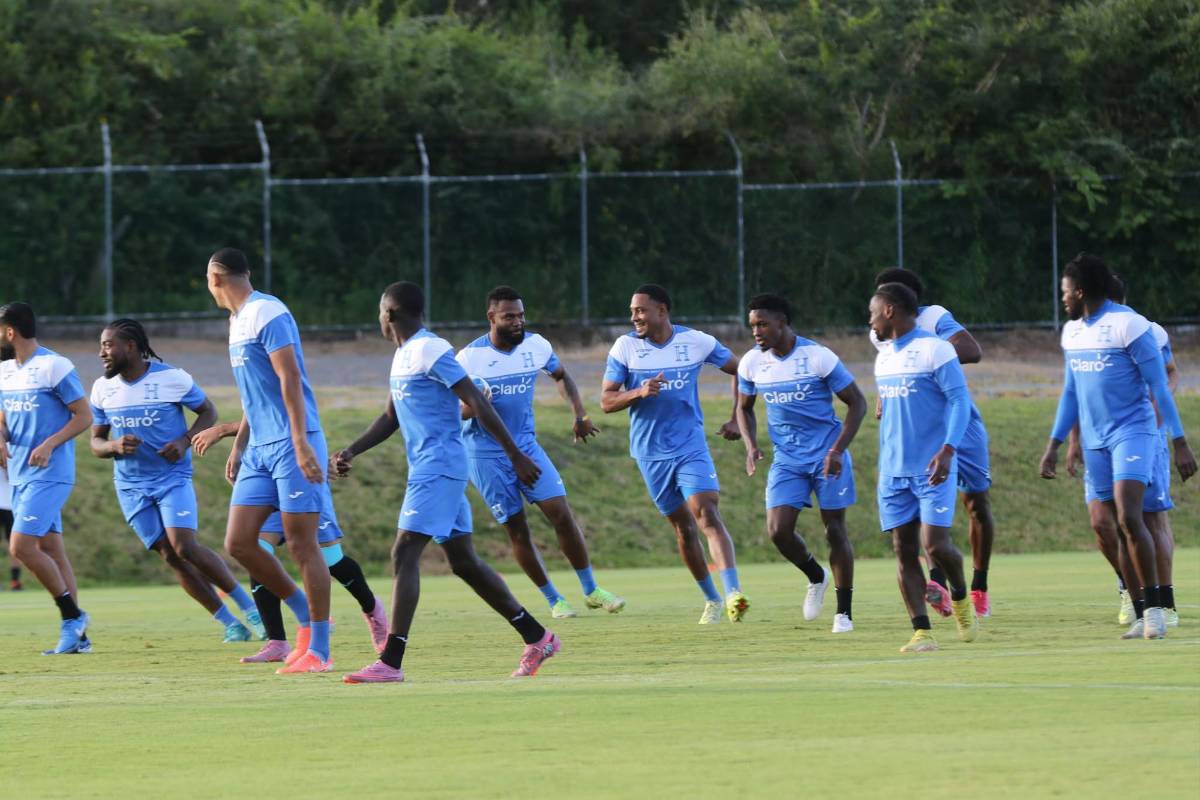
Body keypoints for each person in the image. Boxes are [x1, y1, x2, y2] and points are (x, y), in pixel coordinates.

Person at [336, 281, 560, 684]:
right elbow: (391, 417)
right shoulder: (403, 356)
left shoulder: (430, 349)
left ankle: (391, 660)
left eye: (379, 313)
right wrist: (352, 450)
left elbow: (476, 399)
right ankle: (537, 637)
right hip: (428, 466)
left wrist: (514, 455)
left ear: (389, 314)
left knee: (404, 552)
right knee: (464, 562)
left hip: (440, 466)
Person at [1040, 254, 1195, 640]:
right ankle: (1142, 611)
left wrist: (1179, 442)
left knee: (1131, 516)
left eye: (1064, 292)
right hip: (1095, 440)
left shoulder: (1130, 325)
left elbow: (1160, 385)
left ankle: (1159, 608)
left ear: (1079, 291)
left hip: (1134, 432)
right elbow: (1070, 392)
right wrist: (1055, 443)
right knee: (1112, 523)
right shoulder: (1072, 333)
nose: (1062, 299)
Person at [89, 319, 264, 642]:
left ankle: (251, 609)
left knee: (185, 546)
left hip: (172, 477)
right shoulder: (102, 389)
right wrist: (113, 446)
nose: (102, 353)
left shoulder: (172, 378)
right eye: (101, 345)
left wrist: (184, 441)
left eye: (108, 345)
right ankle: (230, 624)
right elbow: (96, 443)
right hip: (130, 485)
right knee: (169, 555)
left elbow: (208, 412)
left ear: (130, 346)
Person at [456, 285, 624, 619]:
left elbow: (561, 375)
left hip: (527, 447)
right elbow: (453, 411)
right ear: (491, 318)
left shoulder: (536, 345)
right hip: (485, 456)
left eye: (520, 315)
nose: (517, 322)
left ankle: (591, 590)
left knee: (561, 513)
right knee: (517, 528)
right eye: (509, 317)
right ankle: (554, 600)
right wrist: (474, 405)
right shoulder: (467, 359)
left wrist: (580, 415)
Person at [205, 247, 333, 674]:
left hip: (292, 443)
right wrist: (239, 444)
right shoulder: (236, 322)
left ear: (216, 277)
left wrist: (300, 442)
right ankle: (303, 618)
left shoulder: (269, 311)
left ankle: (320, 648)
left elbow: (289, 378)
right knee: (239, 542)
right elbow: (253, 393)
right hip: (259, 446)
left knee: (301, 543)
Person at [600, 284, 749, 624]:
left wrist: (736, 417)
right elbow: (606, 401)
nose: (634, 317)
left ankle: (733, 593)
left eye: (640, 310)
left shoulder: (696, 341)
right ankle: (711, 599)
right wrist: (639, 391)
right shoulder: (625, 347)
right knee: (683, 529)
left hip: (690, 445)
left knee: (706, 512)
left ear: (662, 311)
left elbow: (741, 370)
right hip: (650, 454)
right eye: (632, 311)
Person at [194, 417, 390, 663]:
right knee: (256, 550)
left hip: (297, 468)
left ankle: (372, 610)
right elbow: (255, 413)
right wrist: (236, 445)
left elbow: (288, 417)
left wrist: (223, 430)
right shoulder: (249, 381)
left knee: (331, 560)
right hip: (265, 471)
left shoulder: (289, 379)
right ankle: (277, 641)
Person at [735, 294, 867, 633]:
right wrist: (751, 445)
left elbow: (858, 404)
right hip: (787, 461)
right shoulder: (752, 362)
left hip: (827, 456)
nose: (756, 332)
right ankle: (816, 576)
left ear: (783, 322)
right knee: (778, 531)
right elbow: (744, 407)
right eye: (752, 326)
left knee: (835, 530)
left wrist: (837, 451)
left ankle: (844, 613)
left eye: (762, 324)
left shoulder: (817, 356)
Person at [872, 268, 995, 618]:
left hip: (959, 423)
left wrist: (929, 357)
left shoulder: (935, 318)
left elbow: (971, 350)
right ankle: (937, 583)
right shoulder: (879, 335)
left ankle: (980, 586)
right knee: (918, 524)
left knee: (976, 503)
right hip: (918, 431)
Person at [0, 302, 92, 654]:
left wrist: (51, 444)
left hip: (50, 474)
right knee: (52, 549)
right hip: (21, 476)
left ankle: (72, 616)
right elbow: (4, 420)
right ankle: (79, 639)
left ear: (10, 332)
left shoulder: (54, 366)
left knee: (21, 546)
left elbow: (83, 416)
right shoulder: (6, 371)